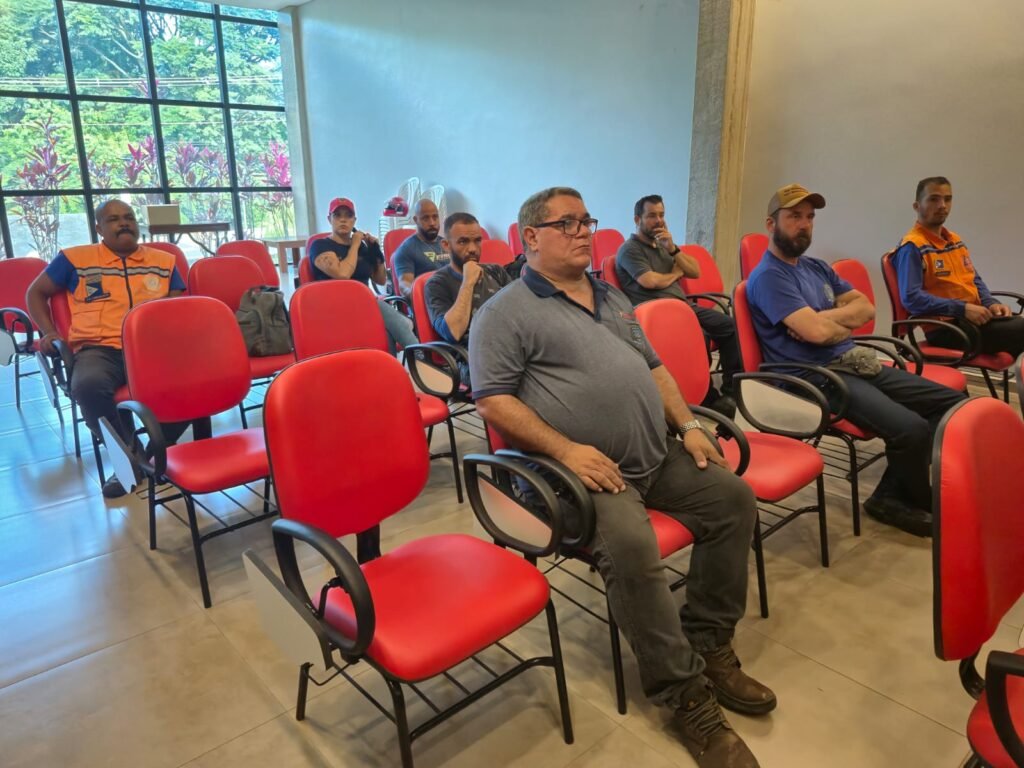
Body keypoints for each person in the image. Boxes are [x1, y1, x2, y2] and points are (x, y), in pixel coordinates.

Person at [470, 186, 769, 768]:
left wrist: (688, 426)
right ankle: (685, 696)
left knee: (732, 498)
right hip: (577, 475)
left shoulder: (608, 294)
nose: (584, 231)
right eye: (567, 223)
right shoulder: (503, 313)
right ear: (531, 238)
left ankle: (709, 641)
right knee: (632, 546)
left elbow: (652, 367)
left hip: (654, 453)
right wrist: (567, 450)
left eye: (586, 221)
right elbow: (493, 401)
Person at [745, 183, 966, 537]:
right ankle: (908, 499)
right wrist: (834, 322)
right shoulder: (769, 276)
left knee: (952, 404)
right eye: (794, 217)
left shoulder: (816, 267)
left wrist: (824, 322)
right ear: (771, 224)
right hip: (815, 377)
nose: (804, 225)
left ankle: (891, 493)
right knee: (911, 428)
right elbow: (818, 332)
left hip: (850, 360)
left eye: (809, 217)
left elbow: (865, 309)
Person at [26, 200, 190, 499]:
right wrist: (49, 332)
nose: (123, 223)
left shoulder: (164, 261)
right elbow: (35, 292)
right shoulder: (75, 259)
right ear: (99, 228)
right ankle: (130, 459)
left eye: (129, 217)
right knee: (88, 387)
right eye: (113, 219)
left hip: (152, 349)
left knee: (199, 380)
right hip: (100, 349)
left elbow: (177, 306)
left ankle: (157, 453)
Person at [615, 195, 741, 415]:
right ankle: (707, 397)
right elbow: (650, 281)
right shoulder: (629, 250)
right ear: (637, 219)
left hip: (683, 308)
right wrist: (675, 273)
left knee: (729, 326)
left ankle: (731, 390)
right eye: (652, 215)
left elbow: (695, 271)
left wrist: (673, 249)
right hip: (657, 314)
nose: (659, 221)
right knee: (699, 335)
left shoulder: (663, 245)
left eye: (661, 215)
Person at [893, 176, 1024, 357]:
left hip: (973, 319)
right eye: (934, 199)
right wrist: (962, 308)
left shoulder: (954, 240)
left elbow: (974, 279)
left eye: (947, 199)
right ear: (917, 206)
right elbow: (911, 299)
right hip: (946, 329)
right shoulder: (912, 247)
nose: (942, 205)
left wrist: (990, 302)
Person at [308, 197, 418, 354]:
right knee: (385, 313)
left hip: (364, 305)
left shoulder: (362, 248)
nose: (343, 220)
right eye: (337, 215)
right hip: (334, 306)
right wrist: (355, 244)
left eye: (348, 216)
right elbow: (343, 275)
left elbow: (380, 280)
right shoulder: (320, 245)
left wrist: (375, 251)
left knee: (385, 329)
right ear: (329, 219)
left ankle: (390, 365)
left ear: (354, 220)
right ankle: (420, 355)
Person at [424, 212, 510, 387]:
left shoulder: (496, 271)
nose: (472, 249)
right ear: (446, 245)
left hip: (509, 346)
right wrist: (468, 282)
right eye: (463, 242)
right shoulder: (437, 283)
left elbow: (520, 312)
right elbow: (453, 332)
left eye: (477, 241)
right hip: (471, 358)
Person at [392, 198, 449, 298]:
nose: (432, 223)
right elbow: (405, 284)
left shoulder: (446, 244)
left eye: (435, 217)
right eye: (426, 218)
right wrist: (419, 296)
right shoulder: (406, 250)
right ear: (416, 220)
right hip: (430, 300)